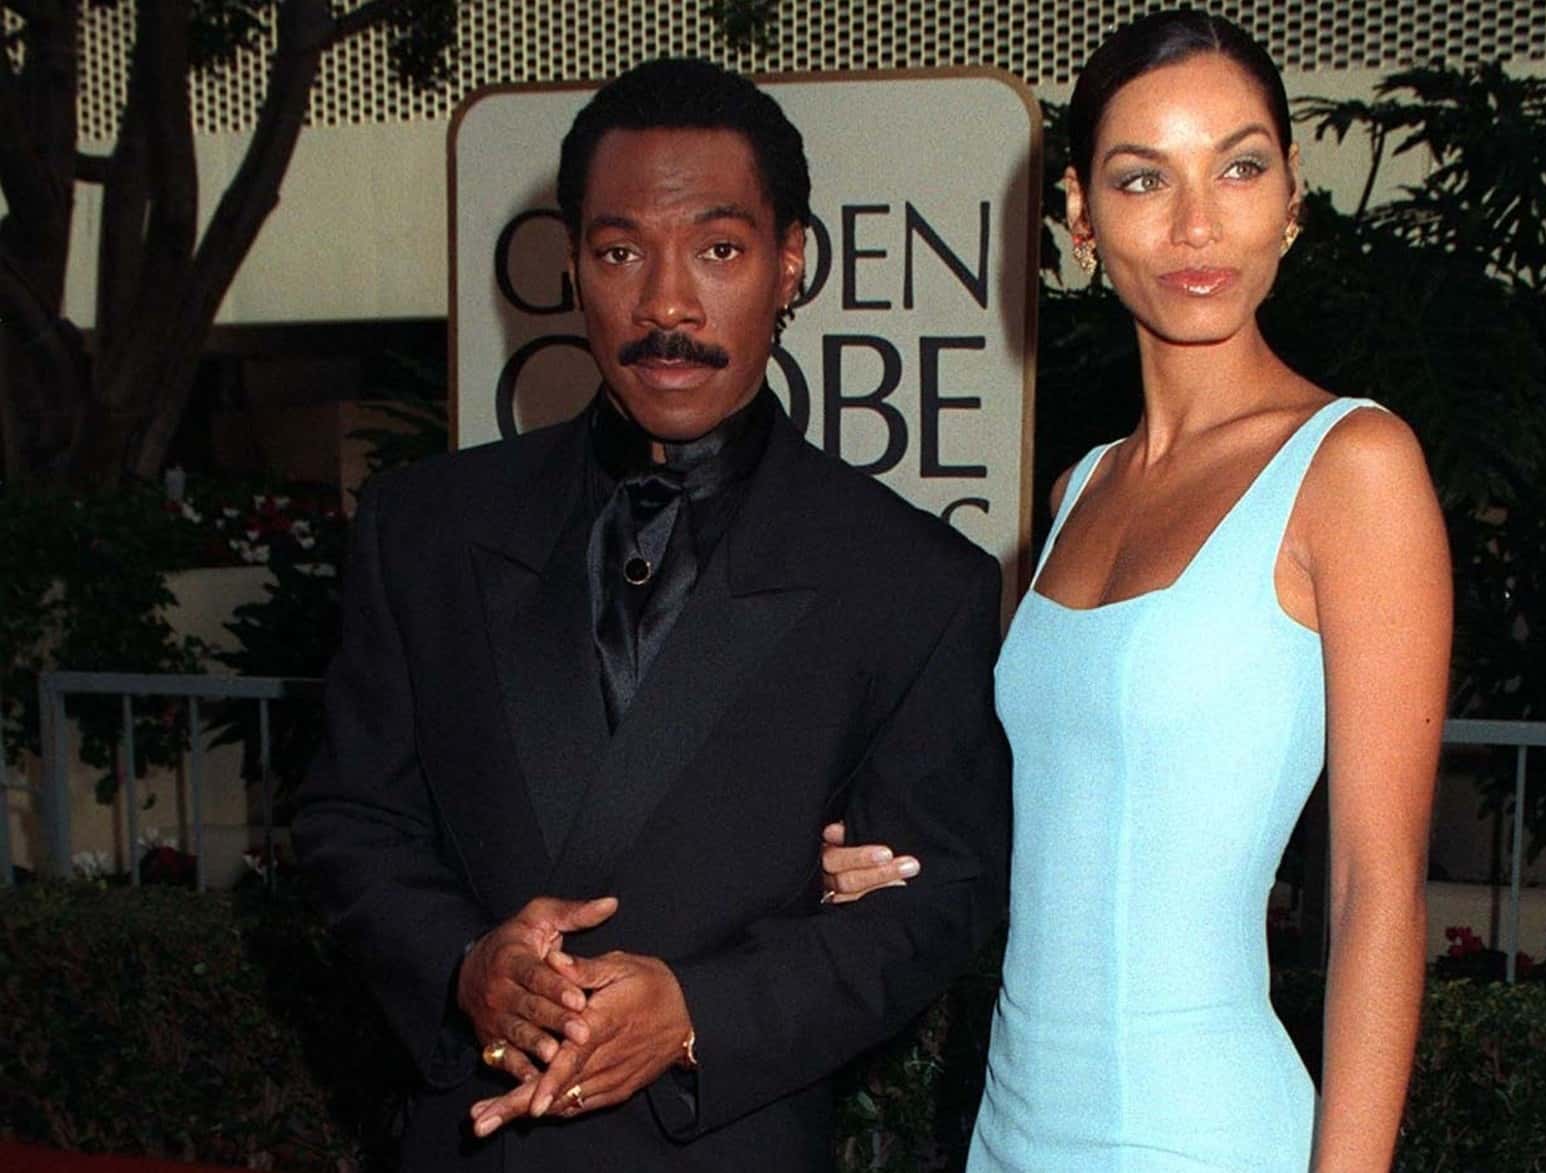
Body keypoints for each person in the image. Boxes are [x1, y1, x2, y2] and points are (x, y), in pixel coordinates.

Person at [293, 58, 1011, 1173]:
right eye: (621, 251)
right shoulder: (422, 529)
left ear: (790, 264)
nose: (666, 304)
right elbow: (352, 821)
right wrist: (464, 966)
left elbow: (933, 903)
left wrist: (698, 1014)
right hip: (472, 1142)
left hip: (727, 1143)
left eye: (718, 251)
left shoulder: (914, 581)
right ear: (574, 268)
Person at [822, 10, 1451, 1170]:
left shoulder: (1352, 467)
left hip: (1200, 1130)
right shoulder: (1078, 491)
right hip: (1010, 1126)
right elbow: (1072, 819)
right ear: (1077, 215)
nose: (1197, 223)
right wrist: (877, 855)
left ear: (1291, 199)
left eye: (1240, 166)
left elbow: (1374, 890)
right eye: (1142, 179)